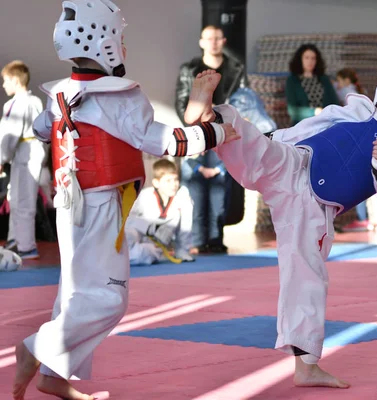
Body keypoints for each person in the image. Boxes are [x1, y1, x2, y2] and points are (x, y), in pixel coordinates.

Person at [12, 1, 239, 399]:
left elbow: (42, 128)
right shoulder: (120, 97)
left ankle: (53, 375)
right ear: (107, 42)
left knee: (75, 292)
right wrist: (219, 133)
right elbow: (167, 141)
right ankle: (37, 349)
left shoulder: (61, 92)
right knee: (108, 298)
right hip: (101, 205)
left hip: (68, 205)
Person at [185, 63, 377, 388]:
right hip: (295, 160)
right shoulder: (360, 108)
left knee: (305, 273)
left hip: (313, 206)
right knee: (254, 143)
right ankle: (211, 118)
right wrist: (279, 137)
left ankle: (306, 366)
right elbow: (317, 122)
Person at [176, 25, 243, 254]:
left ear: (223, 41)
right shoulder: (190, 69)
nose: (213, 42)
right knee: (195, 188)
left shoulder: (236, 69)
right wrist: (195, 132)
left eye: (217, 38)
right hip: (197, 134)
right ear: (201, 41)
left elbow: (242, 102)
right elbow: (182, 102)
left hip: (224, 133)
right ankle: (195, 240)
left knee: (220, 189)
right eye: (209, 38)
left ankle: (215, 239)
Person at [0, 60, 46, 259]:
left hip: (26, 154)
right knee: (16, 198)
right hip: (29, 152)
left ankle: (26, 246)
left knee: (23, 201)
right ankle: (15, 240)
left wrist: (1, 158)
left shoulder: (17, 104)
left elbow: (9, 134)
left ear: (16, 80)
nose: (3, 85)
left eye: (5, 81)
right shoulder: (35, 101)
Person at [125, 159, 194, 265]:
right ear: (156, 183)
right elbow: (128, 220)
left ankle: (131, 256)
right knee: (127, 235)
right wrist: (150, 228)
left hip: (158, 245)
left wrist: (183, 249)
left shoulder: (182, 195)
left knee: (146, 254)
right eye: (168, 181)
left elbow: (185, 226)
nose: (174, 184)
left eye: (175, 179)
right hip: (141, 236)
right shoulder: (145, 196)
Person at [335, 68, 373, 232]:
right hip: (366, 138)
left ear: (346, 81)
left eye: (340, 80)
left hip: (353, 139)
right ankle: (366, 217)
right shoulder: (361, 92)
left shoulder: (346, 93)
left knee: (356, 179)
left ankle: (362, 218)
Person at [285, 44, 339, 126]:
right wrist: (314, 112)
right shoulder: (292, 81)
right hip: (303, 126)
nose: (310, 61)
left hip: (326, 124)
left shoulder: (324, 79)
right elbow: (293, 111)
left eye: (313, 58)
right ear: (300, 60)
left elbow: (335, 103)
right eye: (306, 58)